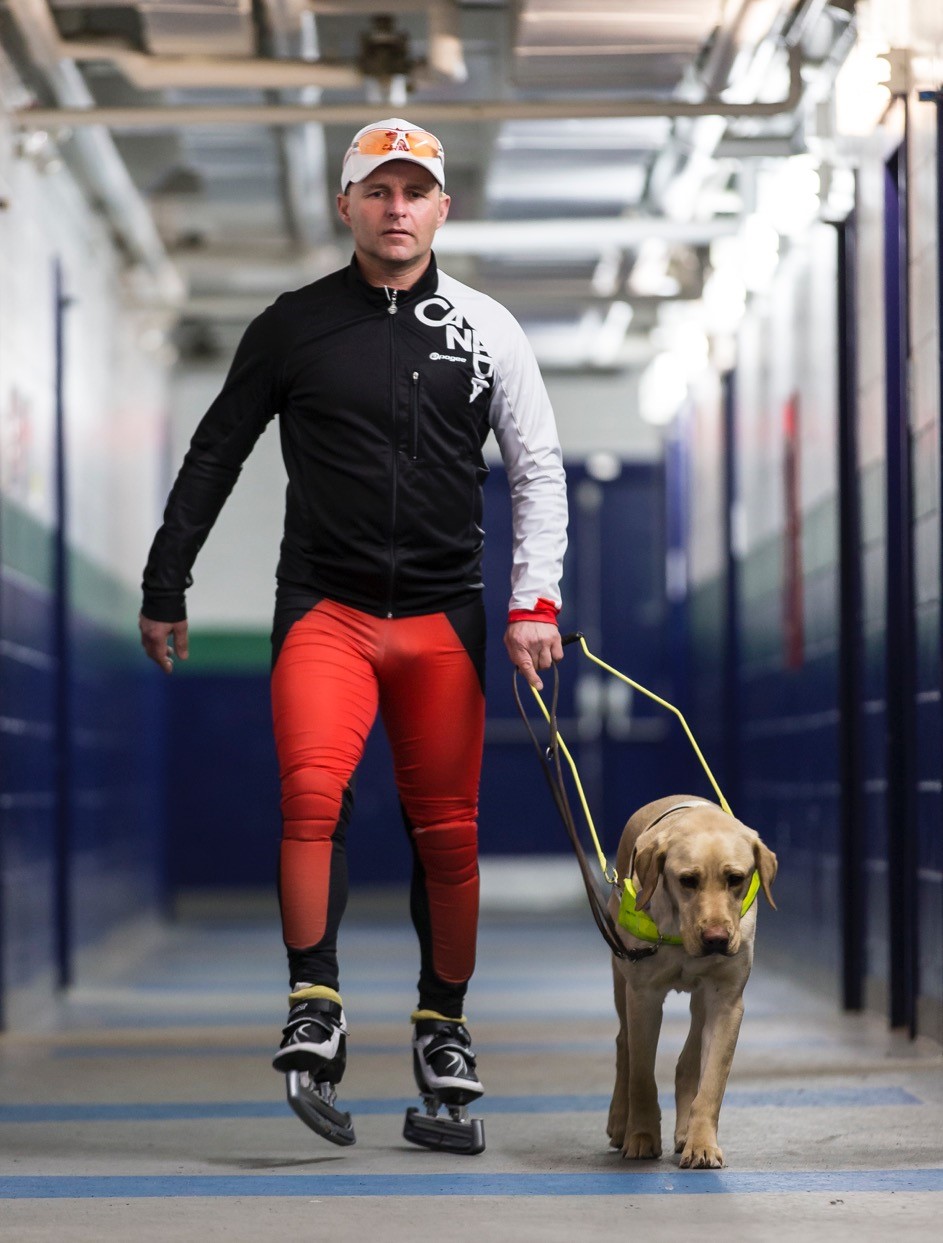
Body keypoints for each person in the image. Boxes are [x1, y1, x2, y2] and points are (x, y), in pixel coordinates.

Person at [138, 118, 568, 1147]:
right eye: (377, 190)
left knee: (447, 829)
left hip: (443, 619)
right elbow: (214, 455)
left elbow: (538, 468)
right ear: (346, 206)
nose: (396, 207)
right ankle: (314, 1006)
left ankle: (443, 1028)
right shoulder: (291, 327)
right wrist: (167, 581)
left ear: (441, 208)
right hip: (325, 611)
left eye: (415, 190)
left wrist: (534, 602)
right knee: (310, 797)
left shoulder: (487, 328)